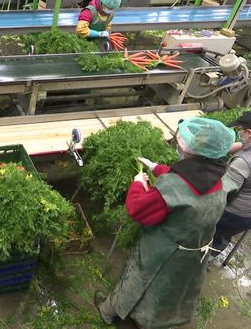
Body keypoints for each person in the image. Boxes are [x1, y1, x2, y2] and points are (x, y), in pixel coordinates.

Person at [95, 117, 236, 328]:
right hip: (194, 252)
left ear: (191, 150)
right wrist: (156, 168)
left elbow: (138, 209)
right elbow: (190, 179)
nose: (177, 144)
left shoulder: (172, 187)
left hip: (163, 252)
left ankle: (116, 316)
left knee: (140, 285)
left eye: (180, 142)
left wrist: (137, 185)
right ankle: (154, 322)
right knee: (168, 292)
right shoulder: (223, 179)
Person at [211, 111, 251, 258]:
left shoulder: (243, 162)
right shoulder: (247, 145)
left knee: (213, 231)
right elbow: (240, 145)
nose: (238, 132)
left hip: (236, 213)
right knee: (225, 234)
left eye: (239, 129)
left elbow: (225, 193)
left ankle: (201, 260)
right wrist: (214, 149)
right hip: (247, 214)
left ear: (248, 132)